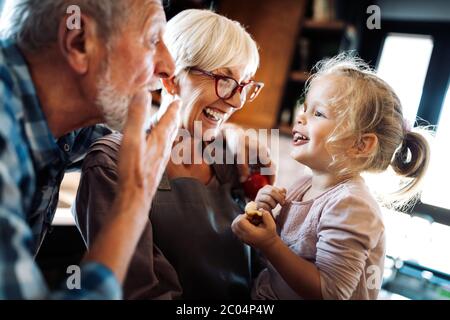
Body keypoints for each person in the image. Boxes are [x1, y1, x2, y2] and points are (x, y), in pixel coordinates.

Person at [74, 9, 269, 299]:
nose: (237, 101)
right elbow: (144, 292)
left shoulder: (232, 159)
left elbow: (262, 269)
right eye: (224, 80)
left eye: (244, 85)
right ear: (172, 78)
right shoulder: (112, 163)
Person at [0, 0, 181, 299]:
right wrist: (131, 204)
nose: (168, 66)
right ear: (80, 42)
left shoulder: (59, 126)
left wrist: (223, 144)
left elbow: (141, 142)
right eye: (152, 39)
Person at [232, 53, 431, 300]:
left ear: (361, 145)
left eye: (319, 114)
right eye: (305, 108)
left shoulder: (352, 204)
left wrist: (270, 243)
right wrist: (264, 214)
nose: (300, 117)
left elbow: (331, 292)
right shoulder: (303, 185)